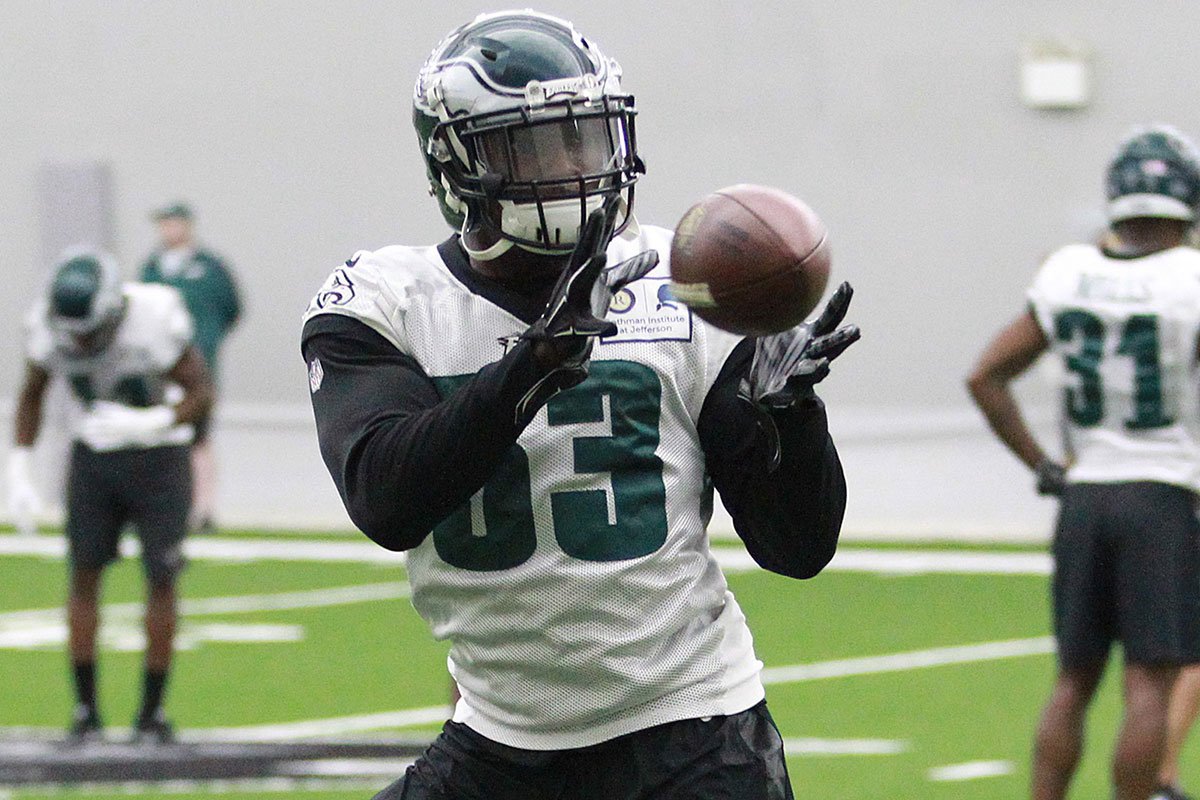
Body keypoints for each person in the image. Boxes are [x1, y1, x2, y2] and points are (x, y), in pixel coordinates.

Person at [301, 10, 859, 800]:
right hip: (502, 736)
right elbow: (386, 498)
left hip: (690, 733)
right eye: (535, 147)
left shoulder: (680, 284)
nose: (573, 167)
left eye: (587, 139)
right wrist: (532, 366)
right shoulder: (388, 302)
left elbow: (798, 547)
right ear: (457, 165)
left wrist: (792, 426)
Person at [967, 124, 1200, 800]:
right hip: (1161, 494)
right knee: (1148, 681)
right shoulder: (1191, 278)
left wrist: (1044, 467)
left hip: (1085, 495)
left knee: (1073, 680)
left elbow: (986, 375)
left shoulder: (1068, 271)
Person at [8, 248, 213, 744]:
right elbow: (32, 391)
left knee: (161, 576)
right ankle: (85, 712)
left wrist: (154, 421)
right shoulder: (49, 325)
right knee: (83, 575)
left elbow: (200, 391)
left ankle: (152, 713)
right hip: (94, 455)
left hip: (159, 458)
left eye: (90, 330)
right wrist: (18, 468)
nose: (81, 342)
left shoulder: (154, 317)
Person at [140, 202, 241, 534]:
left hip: (198, 364)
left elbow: (231, 308)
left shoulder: (210, 268)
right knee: (157, 436)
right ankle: (161, 507)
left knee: (199, 436)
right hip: (158, 366)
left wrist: (207, 340)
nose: (168, 230)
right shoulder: (152, 268)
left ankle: (203, 508)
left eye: (173, 223)